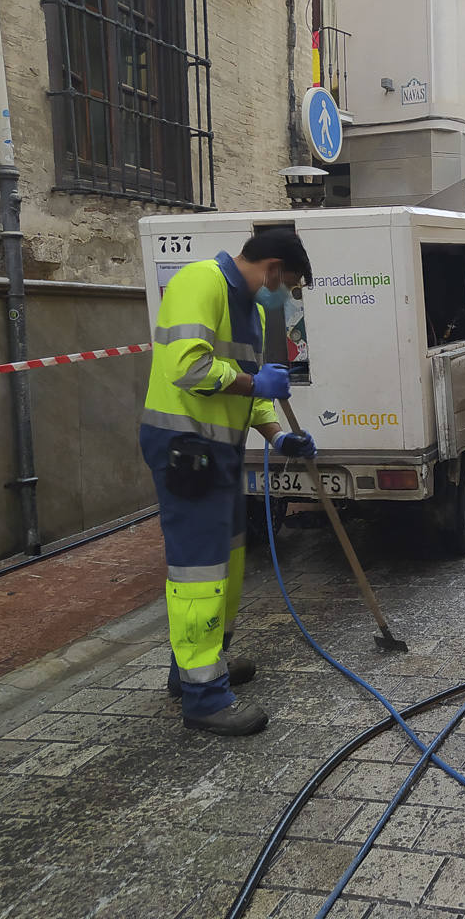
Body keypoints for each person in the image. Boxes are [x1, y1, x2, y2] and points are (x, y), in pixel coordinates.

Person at [140, 229, 317, 736]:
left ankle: (200, 663)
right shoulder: (201, 282)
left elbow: (251, 393)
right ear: (274, 268)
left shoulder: (254, 312)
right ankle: (203, 697)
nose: (284, 297)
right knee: (199, 570)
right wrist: (252, 381)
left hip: (220, 453)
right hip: (185, 450)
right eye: (289, 286)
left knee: (229, 559)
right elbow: (187, 364)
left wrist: (278, 438)